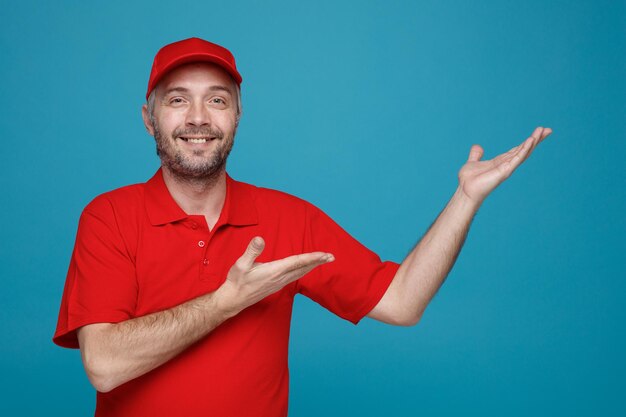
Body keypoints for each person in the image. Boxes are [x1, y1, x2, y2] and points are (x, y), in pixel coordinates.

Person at [53, 37, 552, 416]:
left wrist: (464, 200)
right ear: (149, 117)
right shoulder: (110, 217)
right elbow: (104, 365)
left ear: (238, 115)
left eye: (218, 100)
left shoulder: (288, 218)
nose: (198, 118)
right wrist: (225, 303)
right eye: (178, 100)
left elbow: (402, 301)